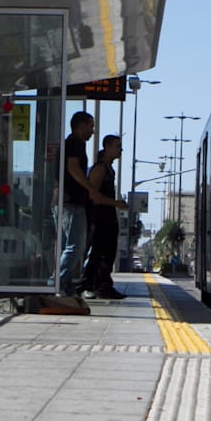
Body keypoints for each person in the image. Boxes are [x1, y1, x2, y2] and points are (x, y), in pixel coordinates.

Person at [81, 135, 130, 300]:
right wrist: (116, 203)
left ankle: (104, 286)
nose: (120, 150)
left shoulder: (109, 169)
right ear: (107, 147)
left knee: (108, 253)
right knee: (97, 253)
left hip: (108, 218)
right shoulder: (100, 169)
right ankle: (87, 285)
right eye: (117, 146)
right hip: (99, 218)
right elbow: (94, 196)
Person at [56, 110, 97, 297]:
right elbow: (73, 167)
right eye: (91, 126)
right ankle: (56, 281)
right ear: (82, 126)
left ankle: (62, 284)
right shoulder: (75, 143)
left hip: (66, 202)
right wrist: (90, 188)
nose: (93, 131)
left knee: (67, 247)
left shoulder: (70, 143)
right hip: (71, 203)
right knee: (76, 246)